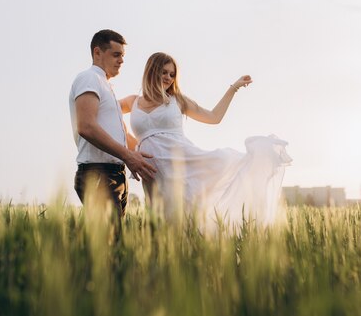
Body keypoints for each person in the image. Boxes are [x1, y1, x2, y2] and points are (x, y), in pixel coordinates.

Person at [120, 52, 291, 227]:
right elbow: (108, 113)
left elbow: (213, 117)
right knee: (159, 219)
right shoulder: (133, 101)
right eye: (164, 72)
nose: (169, 78)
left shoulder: (177, 100)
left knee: (187, 216)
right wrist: (133, 146)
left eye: (172, 74)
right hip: (152, 171)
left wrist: (233, 88)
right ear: (152, 71)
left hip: (183, 163)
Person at [69, 29, 156, 217]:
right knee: (108, 242)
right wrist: (128, 156)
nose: (122, 60)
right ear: (97, 52)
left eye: (123, 56)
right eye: (116, 55)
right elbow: (86, 126)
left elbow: (121, 134)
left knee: (113, 243)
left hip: (115, 174)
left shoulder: (107, 86)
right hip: (98, 173)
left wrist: (151, 155)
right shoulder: (89, 78)